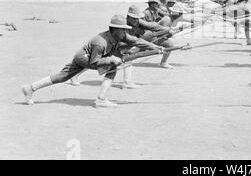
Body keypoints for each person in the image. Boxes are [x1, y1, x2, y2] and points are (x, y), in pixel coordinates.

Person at [21, 15, 162, 108]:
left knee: (62, 76)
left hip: (87, 55)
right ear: (115, 29)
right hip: (84, 58)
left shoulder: (120, 35)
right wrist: (112, 59)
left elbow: (137, 41)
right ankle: (101, 99)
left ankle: (30, 88)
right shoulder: (100, 42)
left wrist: (156, 47)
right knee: (112, 65)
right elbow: (95, 63)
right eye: (123, 30)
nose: (125, 32)